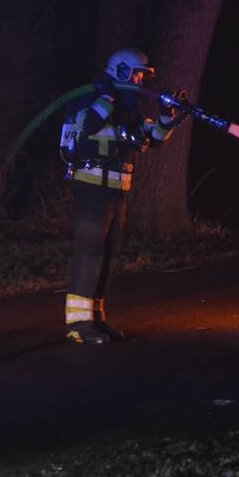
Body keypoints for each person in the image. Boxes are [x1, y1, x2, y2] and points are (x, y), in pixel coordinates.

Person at [62, 48, 181, 344]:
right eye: (137, 74)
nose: (141, 80)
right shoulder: (91, 98)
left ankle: (96, 317)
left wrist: (167, 119)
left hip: (116, 192)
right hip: (92, 189)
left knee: (109, 253)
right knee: (89, 251)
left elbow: (149, 139)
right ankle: (78, 323)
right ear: (122, 72)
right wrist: (106, 97)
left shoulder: (128, 109)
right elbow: (88, 125)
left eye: (143, 75)